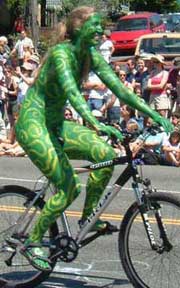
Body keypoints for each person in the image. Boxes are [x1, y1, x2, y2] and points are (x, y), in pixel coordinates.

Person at [15, 6, 172, 272]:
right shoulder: (61, 54)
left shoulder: (89, 55)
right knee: (69, 187)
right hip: (34, 123)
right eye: (95, 25)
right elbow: (72, 93)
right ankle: (33, 240)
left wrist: (154, 115)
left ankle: (88, 217)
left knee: (106, 155)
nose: (101, 30)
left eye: (101, 25)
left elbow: (120, 90)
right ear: (78, 28)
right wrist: (95, 122)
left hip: (55, 124)